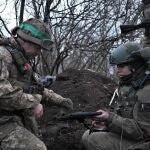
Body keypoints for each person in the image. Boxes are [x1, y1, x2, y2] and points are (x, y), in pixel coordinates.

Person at [0, 18, 73, 150]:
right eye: (38, 48)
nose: (38, 53)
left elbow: (36, 87)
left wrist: (61, 101)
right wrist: (34, 102)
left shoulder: (20, 59)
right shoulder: (2, 55)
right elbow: (4, 96)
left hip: (10, 117)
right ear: (27, 41)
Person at [82, 42, 150, 150]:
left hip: (144, 143)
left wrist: (110, 119)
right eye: (117, 66)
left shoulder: (146, 91)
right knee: (88, 135)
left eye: (122, 65)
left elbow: (143, 132)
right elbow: (124, 115)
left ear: (135, 65)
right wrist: (107, 124)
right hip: (134, 137)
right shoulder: (129, 86)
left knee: (93, 139)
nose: (118, 70)